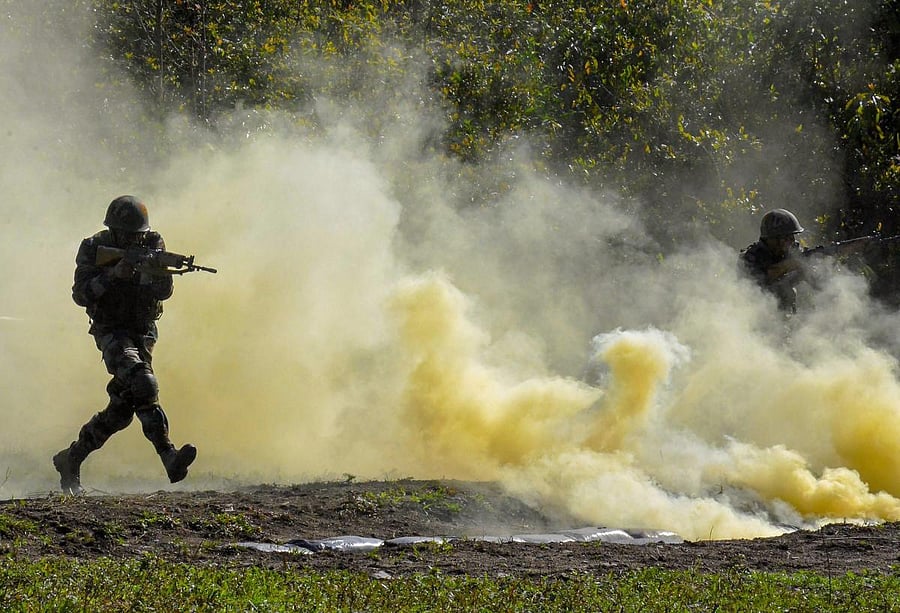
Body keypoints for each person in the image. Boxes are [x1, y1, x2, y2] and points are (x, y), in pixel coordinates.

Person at [52, 195, 197, 494]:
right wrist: (114, 275)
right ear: (114, 232)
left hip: (143, 331)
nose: (135, 240)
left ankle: (71, 458)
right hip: (111, 331)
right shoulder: (94, 248)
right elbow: (81, 295)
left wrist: (151, 274)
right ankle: (169, 457)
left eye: (138, 236)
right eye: (129, 236)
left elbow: (164, 291)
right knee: (143, 382)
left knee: (122, 410)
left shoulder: (153, 242)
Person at [740, 208, 872, 314]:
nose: (792, 241)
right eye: (787, 237)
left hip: (784, 317)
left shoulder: (791, 251)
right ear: (774, 239)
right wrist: (789, 266)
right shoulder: (751, 257)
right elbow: (756, 284)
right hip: (755, 318)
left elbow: (817, 282)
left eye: (792, 237)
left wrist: (841, 252)